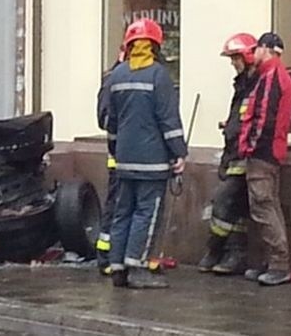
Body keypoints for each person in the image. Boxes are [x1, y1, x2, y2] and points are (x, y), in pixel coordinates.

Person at [105, 18, 187, 289]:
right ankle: (136, 267)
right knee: (146, 214)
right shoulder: (158, 75)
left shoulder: (116, 76)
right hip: (152, 161)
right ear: (154, 45)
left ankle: (117, 266)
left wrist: (116, 150)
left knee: (122, 212)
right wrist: (179, 153)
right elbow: (168, 119)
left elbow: (111, 122)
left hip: (124, 159)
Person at [197, 33, 258, 275]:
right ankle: (234, 255)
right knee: (237, 209)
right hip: (233, 152)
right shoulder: (243, 84)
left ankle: (215, 250)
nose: (233, 63)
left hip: (243, 156)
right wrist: (229, 124)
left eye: (235, 58)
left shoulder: (255, 85)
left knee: (223, 203)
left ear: (247, 56)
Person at [238, 32, 291, 286]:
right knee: (267, 204)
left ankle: (278, 263)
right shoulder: (272, 76)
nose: (254, 53)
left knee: (263, 206)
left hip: (263, 153)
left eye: (257, 48)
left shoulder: (271, 78)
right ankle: (273, 262)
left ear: (266, 49)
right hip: (269, 152)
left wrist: (249, 145)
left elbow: (263, 118)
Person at [95, 47, 124, 276]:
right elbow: (104, 119)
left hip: (130, 156)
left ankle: (114, 254)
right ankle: (105, 255)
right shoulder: (113, 80)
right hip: (119, 157)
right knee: (116, 205)